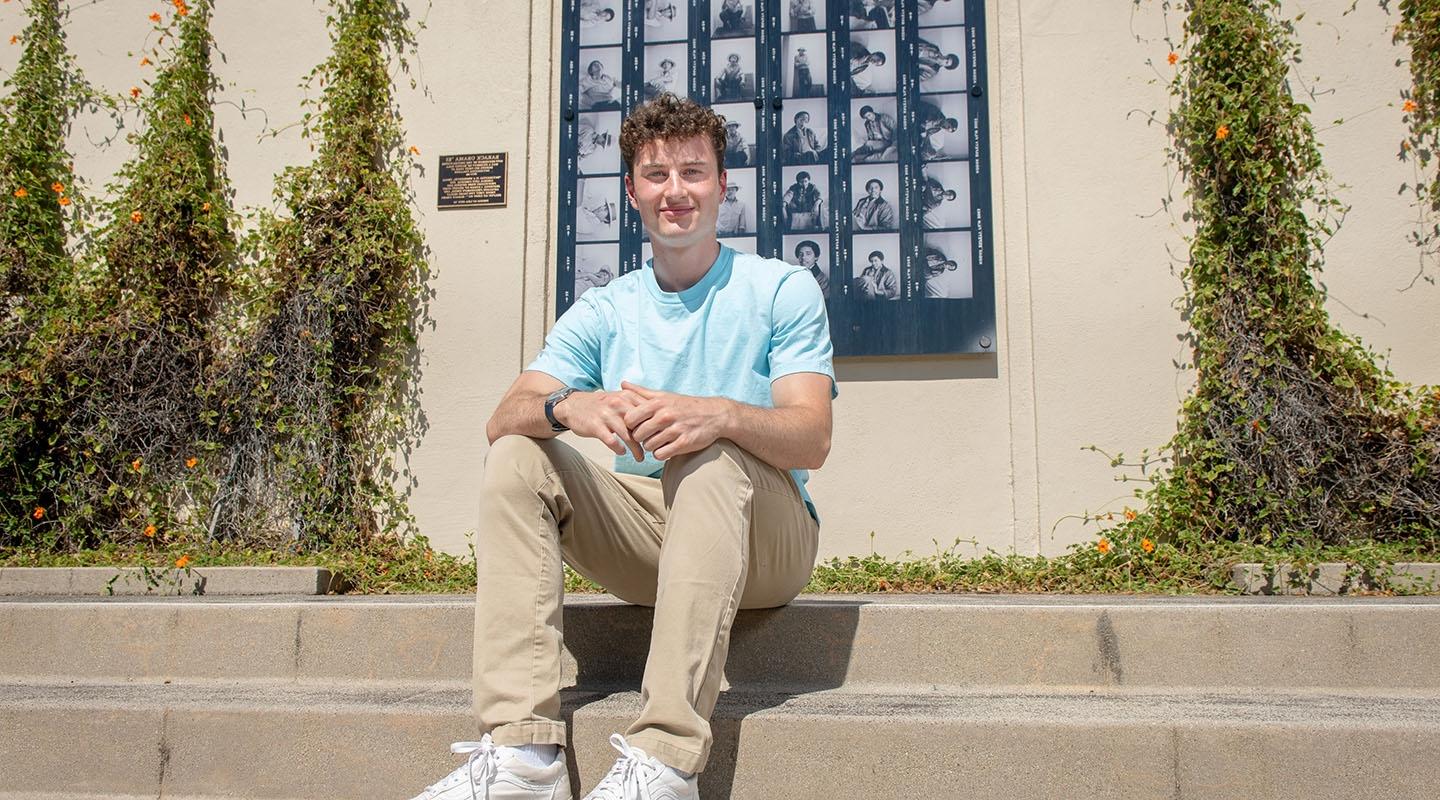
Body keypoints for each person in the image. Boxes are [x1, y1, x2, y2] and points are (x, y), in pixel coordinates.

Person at [408, 91, 834, 800]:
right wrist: (569, 405)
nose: (676, 192)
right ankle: (524, 759)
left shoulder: (780, 289)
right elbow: (502, 416)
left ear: (723, 187)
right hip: (654, 534)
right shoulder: (606, 307)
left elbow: (812, 436)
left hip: (767, 535)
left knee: (710, 453)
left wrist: (721, 415)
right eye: (658, 175)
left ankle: (664, 760)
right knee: (518, 451)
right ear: (632, 190)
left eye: (694, 173)